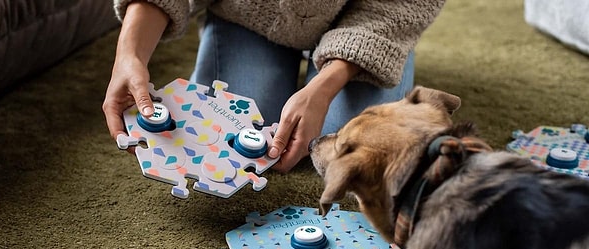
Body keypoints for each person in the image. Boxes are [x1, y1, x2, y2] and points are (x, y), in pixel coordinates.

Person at [103, 0, 446, 172]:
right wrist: (130, 53)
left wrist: (324, 88)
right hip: (249, 15)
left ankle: (346, 62)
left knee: (343, 147)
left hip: (367, 20)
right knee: (230, 135)